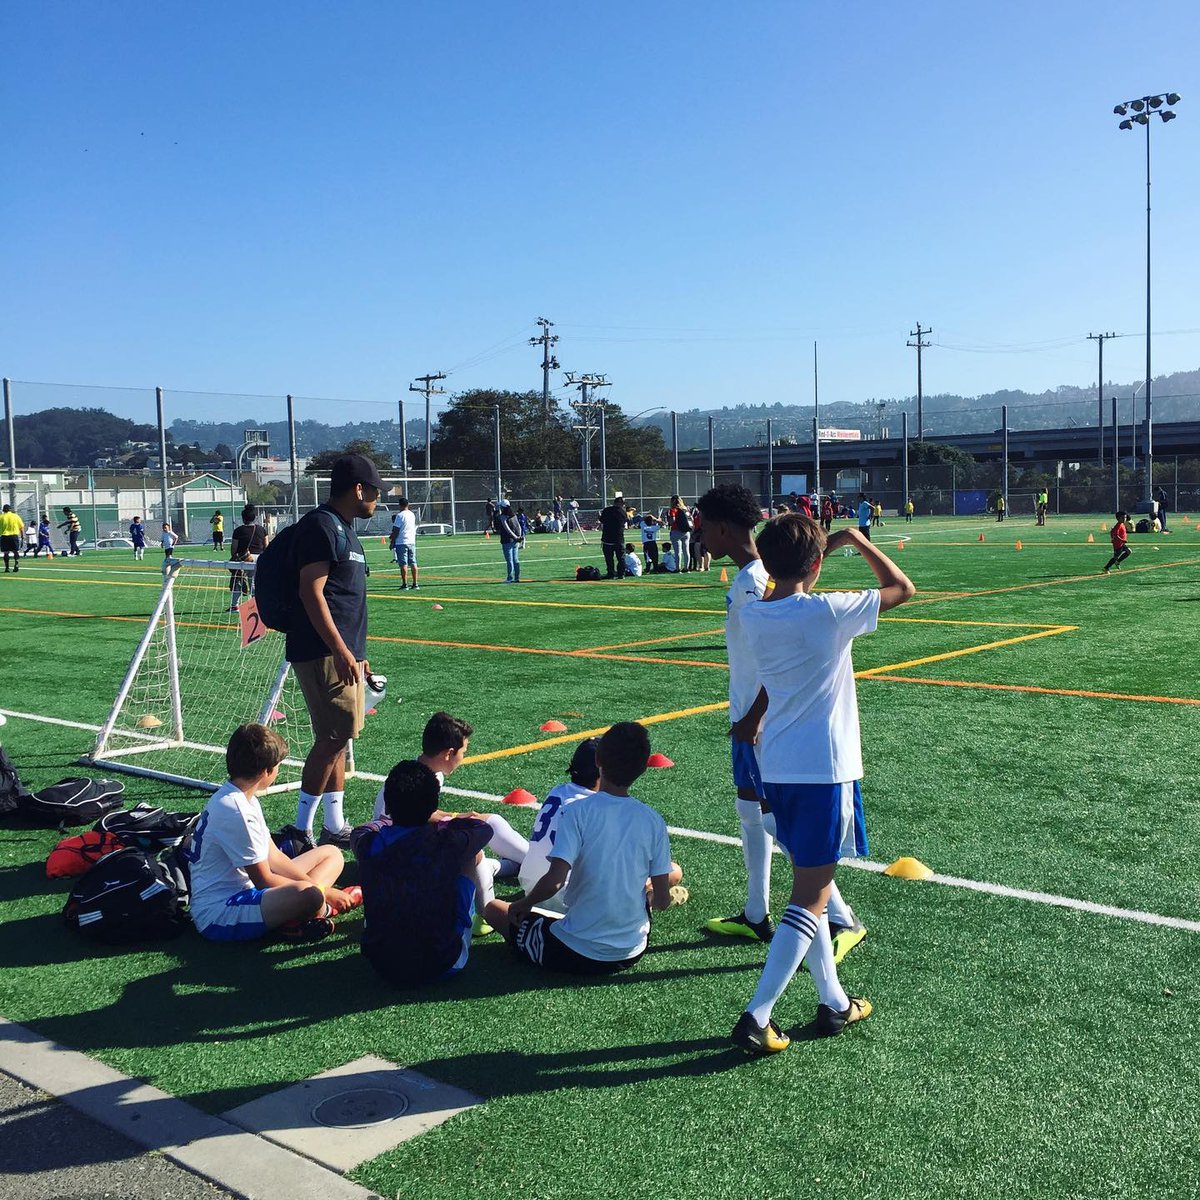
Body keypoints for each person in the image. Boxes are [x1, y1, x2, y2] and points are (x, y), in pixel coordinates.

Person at [729, 513, 914, 1054]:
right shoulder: (828, 613)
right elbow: (902, 589)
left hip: (780, 765)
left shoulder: (759, 613)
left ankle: (834, 1002)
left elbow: (792, 576)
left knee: (809, 887)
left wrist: (812, 552)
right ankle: (757, 1015)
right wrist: (855, 539)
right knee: (810, 900)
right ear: (817, 562)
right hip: (824, 770)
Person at [698, 484, 865, 953]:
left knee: (778, 824)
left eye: (704, 524)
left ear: (724, 528)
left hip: (766, 723)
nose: (699, 533)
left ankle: (839, 917)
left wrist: (754, 715)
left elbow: (782, 653)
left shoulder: (754, 579)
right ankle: (756, 913)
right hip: (749, 716)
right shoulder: (754, 575)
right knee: (749, 812)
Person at [486, 722, 686, 974]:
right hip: (633, 949)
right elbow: (663, 901)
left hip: (573, 949)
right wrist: (649, 900)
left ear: (599, 760)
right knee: (668, 873)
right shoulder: (653, 819)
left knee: (494, 909)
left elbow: (554, 882)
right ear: (643, 768)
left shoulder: (576, 811)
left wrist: (524, 904)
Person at [187, 723, 358, 944]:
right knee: (311, 895)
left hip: (246, 892)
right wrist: (323, 892)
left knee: (331, 854)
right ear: (265, 771)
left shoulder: (240, 797)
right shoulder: (236, 810)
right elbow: (263, 879)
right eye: (277, 766)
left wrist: (318, 888)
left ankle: (297, 914)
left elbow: (274, 857)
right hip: (221, 913)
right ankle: (317, 911)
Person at [288, 452, 382, 849]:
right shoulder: (322, 527)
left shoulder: (343, 528)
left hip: (342, 652)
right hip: (323, 652)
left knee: (339, 738)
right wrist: (341, 650)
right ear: (358, 489)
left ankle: (333, 823)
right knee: (331, 738)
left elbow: (342, 597)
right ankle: (300, 830)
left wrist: (355, 651)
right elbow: (312, 592)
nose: (378, 500)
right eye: (375, 492)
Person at [364, 711, 528, 932]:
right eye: (463, 751)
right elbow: (405, 820)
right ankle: (487, 911)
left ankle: (519, 865)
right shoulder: (421, 779)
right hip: (409, 855)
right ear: (449, 753)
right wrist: (456, 822)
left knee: (485, 823)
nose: (464, 757)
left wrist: (455, 817)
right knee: (476, 847)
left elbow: (418, 813)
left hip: (401, 849)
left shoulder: (416, 772)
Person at [351, 760, 493, 985]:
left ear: (387, 805)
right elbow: (483, 829)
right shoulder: (446, 842)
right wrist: (445, 820)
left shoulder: (367, 843)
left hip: (382, 966)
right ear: (432, 807)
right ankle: (488, 913)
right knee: (472, 857)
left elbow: (362, 830)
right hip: (443, 963)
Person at [517, 739, 600, 912]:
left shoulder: (558, 790)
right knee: (671, 872)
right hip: (567, 899)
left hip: (530, 890)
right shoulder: (593, 808)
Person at [229, 503, 268, 611]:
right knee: (254, 582)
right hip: (258, 558)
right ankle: (256, 605)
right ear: (254, 517)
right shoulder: (261, 529)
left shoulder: (238, 531)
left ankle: (234, 605)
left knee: (238, 581)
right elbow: (266, 546)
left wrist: (235, 557)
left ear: (243, 518)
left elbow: (234, 548)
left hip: (243, 559)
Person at [389, 495, 419, 591]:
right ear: (408, 504)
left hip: (401, 542)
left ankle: (405, 584)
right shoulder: (412, 514)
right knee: (413, 562)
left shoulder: (400, 515)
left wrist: (392, 541)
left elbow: (396, 530)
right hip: (411, 541)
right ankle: (415, 584)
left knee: (403, 564)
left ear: (400, 505)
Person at [598, 493, 627, 578]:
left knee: (609, 559)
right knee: (621, 558)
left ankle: (611, 574)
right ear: (620, 503)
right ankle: (621, 574)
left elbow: (602, 520)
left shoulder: (607, 510)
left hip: (607, 538)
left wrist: (600, 517)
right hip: (619, 539)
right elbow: (624, 522)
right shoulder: (623, 512)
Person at [495, 499, 522, 583]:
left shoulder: (503, 517)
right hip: (515, 540)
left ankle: (510, 578)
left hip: (507, 540)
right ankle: (516, 578)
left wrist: (515, 537)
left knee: (509, 560)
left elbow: (507, 529)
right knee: (515, 560)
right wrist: (518, 537)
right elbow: (519, 527)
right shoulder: (514, 515)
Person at [668, 495, 691, 572]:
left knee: (678, 552)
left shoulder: (673, 509)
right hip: (686, 532)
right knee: (686, 551)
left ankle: (678, 568)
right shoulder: (685, 509)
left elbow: (672, 521)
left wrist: (669, 521)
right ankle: (686, 568)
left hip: (676, 531)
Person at [0, 505, 24, 573]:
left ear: (3, 510)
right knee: (15, 551)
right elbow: (21, 527)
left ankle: (7, 567)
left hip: (4, 536)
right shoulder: (16, 516)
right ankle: (16, 563)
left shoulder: (1, 517)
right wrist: (22, 536)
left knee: (6, 553)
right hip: (14, 536)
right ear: (10, 509)